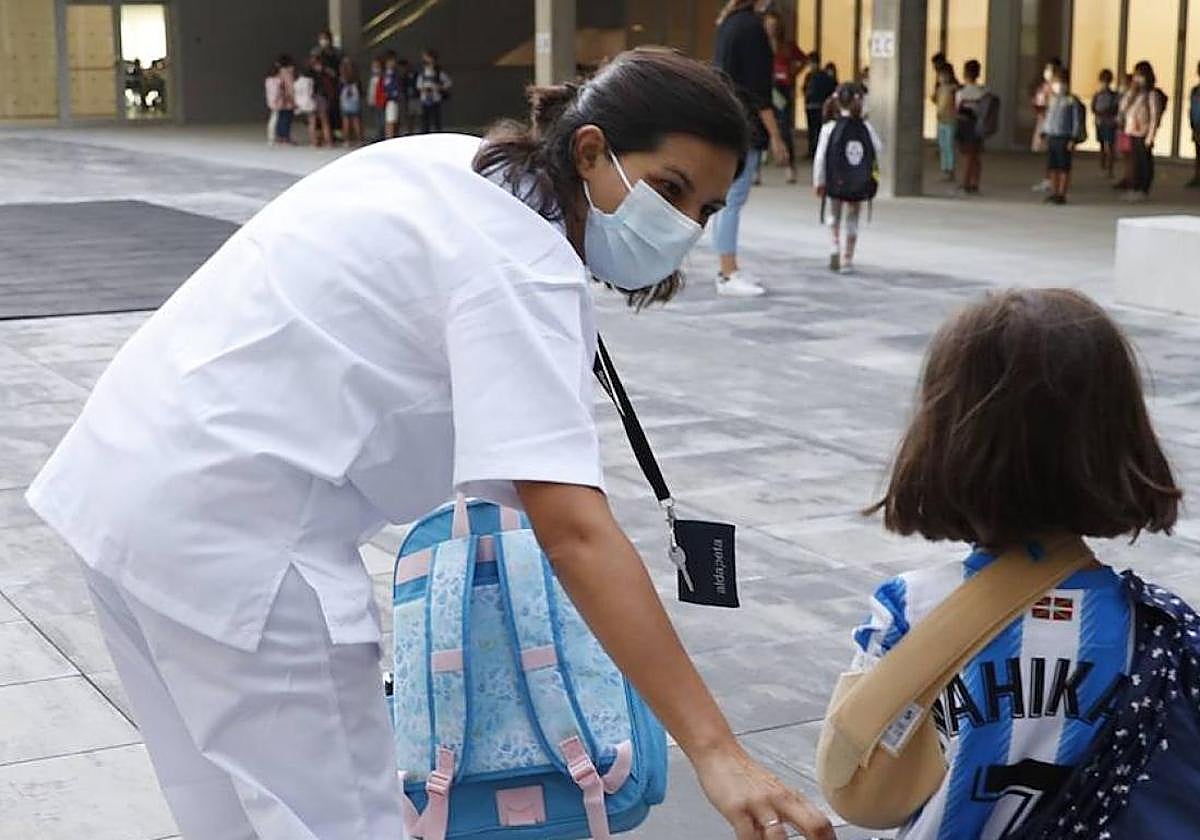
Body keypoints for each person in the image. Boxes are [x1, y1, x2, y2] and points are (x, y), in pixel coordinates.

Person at [24, 48, 835, 840]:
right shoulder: (523, 262)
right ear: (590, 152)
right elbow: (574, 532)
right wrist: (717, 751)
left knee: (225, 817)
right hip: (240, 542)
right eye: (669, 189)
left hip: (120, 487)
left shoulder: (452, 164)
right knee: (344, 821)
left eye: (704, 210)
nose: (684, 226)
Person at [853, 287, 1182, 840]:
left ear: (940, 439)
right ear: (1119, 435)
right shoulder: (1157, 633)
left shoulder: (907, 611)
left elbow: (861, 788)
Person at [712, 0, 789, 297]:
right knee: (733, 200)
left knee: (727, 200)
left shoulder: (728, 23)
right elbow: (759, 92)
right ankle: (727, 271)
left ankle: (727, 267)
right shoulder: (751, 28)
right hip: (745, 126)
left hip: (726, 120)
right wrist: (776, 137)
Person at [813, 83, 882, 274]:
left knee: (833, 215)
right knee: (853, 217)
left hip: (835, 179)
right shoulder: (865, 127)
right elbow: (878, 148)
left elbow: (820, 157)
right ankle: (848, 259)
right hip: (857, 181)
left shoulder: (829, 128)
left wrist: (819, 181)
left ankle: (834, 246)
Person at [763, 9, 804, 183]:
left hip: (782, 89)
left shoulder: (787, 45)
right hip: (765, 86)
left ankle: (790, 166)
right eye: (768, 25)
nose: (771, 28)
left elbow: (803, 59)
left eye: (774, 25)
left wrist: (793, 73)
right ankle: (757, 168)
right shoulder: (760, 44)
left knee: (784, 126)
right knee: (760, 126)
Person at [1041, 68, 1084, 205]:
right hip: (1052, 135)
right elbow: (1048, 117)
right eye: (1055, 81)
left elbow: (1076, 120)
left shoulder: (1071, 100)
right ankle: (1054, 192)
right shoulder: (1052, 99)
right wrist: (1044, 133)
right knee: (1052, 166)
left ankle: (1061, 193)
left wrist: (1073, 138)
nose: (1057, 85)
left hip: (1064, 137)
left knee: (1064, 166)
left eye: (1059, 81)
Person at [1121, 61, 1161, 202]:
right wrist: (1131, 91)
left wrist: (1150, 136)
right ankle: (1134, 186)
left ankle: (1143, 188)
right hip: (1132, 131)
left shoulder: (1152, 94)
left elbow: (1154, 117)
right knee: (1134, 161)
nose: (1137, 78)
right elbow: (1123, 108)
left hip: (1143, 132)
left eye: (1140, 75)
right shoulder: (1134, 93)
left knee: (1144, 161)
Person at [955, 59, 988, 193]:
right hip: (977, 125)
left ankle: (966, 183)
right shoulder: (982, 92)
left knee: (968, 156)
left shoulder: (961, 92)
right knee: (975, 156)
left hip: (964, 125)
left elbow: (956, 109)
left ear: (965, 74)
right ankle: (975, 182)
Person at [1031, 58, 1062, 191]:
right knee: (1049, 152)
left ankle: (1052, 179)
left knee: (1052, 151)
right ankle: (1050, 178)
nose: (1047, 72)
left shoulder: (1057, 87)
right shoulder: (1046, 85)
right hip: (1044, 119)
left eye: (1050, 69)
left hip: (1052, 121)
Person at [803, 53, 837, 158]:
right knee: (812, 130)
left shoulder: (822, 76)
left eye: (811, 63)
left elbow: (829, 90)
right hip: (810, 106)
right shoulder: (809, 76)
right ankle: (811, 150)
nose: (810, 65)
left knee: (817, 129)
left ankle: (816, 151)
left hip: (818, 106)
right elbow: (804, 89)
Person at [311, 28, 343, 138]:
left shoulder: (337, 53)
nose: (324, 41)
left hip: (333, 85)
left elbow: (340, 68)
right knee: (321, 112)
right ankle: (321, 134)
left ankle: (334, 131)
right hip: (319, 86)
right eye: (321, 39)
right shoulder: (316, 52)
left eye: (325, 38)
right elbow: (312, 68)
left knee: (333, 108)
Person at [933, 63, 958, 182]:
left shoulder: (953, 89)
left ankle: (950, 169)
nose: (942, 78)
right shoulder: (939, 90)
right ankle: (944, 168)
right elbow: (935, 100)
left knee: (949, 146)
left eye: (945, 75)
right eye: (940, 76)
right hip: (941, 120)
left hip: (950, 120)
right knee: (943, 146)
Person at [416, 49, 452, 133]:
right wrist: (424, 89)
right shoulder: (422, 73)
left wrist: (439, 87)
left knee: (436, 121)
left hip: (435, 100)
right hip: (425, 100)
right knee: (425, 122)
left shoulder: (439, 73)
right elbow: (418, 85)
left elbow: (448, 83)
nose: (428, 65)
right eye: (426, 63)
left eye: (430, 62)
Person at [1093, 68, 1119, 178]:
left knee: (1110, 146)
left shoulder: (1114, 95)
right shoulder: (1097, 94)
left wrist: (1106, 112)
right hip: (1100, 122)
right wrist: (1098, 113)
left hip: (1110, 122)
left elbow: (1116, 108)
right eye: (1103, 80)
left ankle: (1110, 169)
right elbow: (1093, 107)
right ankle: (1103, 166)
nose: (1105, 83)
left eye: (1106, 80)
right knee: (1102, 145)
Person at [338, 57, 362, 147]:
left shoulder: (342, 78)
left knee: (346, 121)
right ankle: (359, 139)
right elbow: (360, 91)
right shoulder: (356, 78)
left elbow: (338, 90)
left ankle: (346, 140)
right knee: (356, 121)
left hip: (345, 101)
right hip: (355, 100)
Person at [275, 54, 295, 145]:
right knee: (287, 118)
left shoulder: (278, 72)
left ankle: (280, 137)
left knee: (281, 117)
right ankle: (285, 137)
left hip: (280, 98)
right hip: (287, 98)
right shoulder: (287, 73)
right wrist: (291, 98)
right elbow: (289, 86)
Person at [366, 55, 385, 141]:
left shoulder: (382, 77)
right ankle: (378, 134)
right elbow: (371, 90)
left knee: (381, 119)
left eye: (376, 66)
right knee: (376, 118)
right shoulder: (372, 77)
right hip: (373, 100)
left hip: (380, 100)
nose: (374, 68)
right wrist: (370, 99)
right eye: (373, 66)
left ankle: (381, 135)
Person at [1187, 61, 1200, 187]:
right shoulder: (1195, 90)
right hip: (1197, 125)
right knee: (1198, 152)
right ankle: (1197, 177)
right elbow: (1192, 107)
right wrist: (1192, 122)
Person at [264, 60, 283, 145]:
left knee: (273, 118)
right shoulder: (278, 80)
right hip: (276, 101)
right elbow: (277, 91)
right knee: (275, 119)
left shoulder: (268, 80)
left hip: (270, 100)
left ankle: (271, 137)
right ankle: (272, 137)